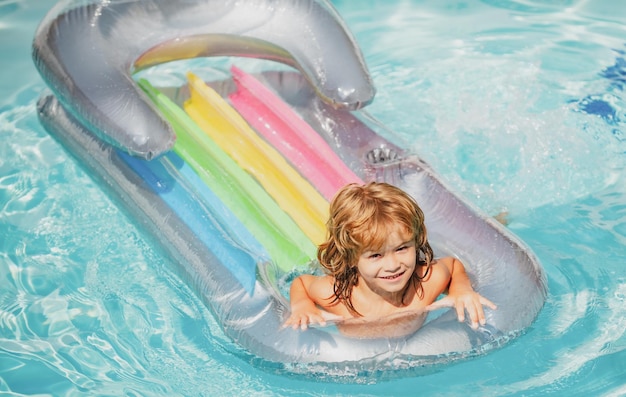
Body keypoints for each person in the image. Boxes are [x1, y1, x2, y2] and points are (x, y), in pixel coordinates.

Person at [284, 182, 496, 337]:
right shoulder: (336, 296)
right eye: (376, 255)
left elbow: (452, 265)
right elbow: (302, 282)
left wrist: (461, 289)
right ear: (350, 258)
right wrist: (302, 306)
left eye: (402, 248)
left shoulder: (426, 282)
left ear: (416, 241)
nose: (393, 265)